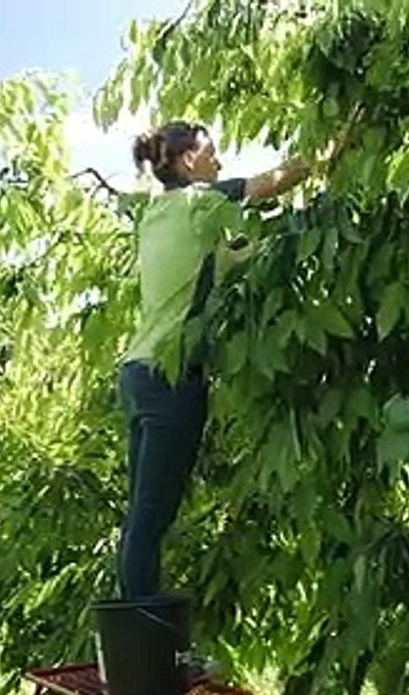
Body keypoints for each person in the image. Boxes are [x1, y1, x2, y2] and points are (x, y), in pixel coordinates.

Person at [116, 121, 342, 606]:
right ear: (188, 160)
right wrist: (334, 145)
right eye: (211, 153)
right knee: (152, 516)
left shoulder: (156, 214)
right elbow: (274, 181)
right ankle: (140, 628)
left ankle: (134, 619)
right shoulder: (202, 202)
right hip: (171, 377)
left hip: (136, 373)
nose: (219, 162)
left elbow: (222, 261)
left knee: (141, 514)